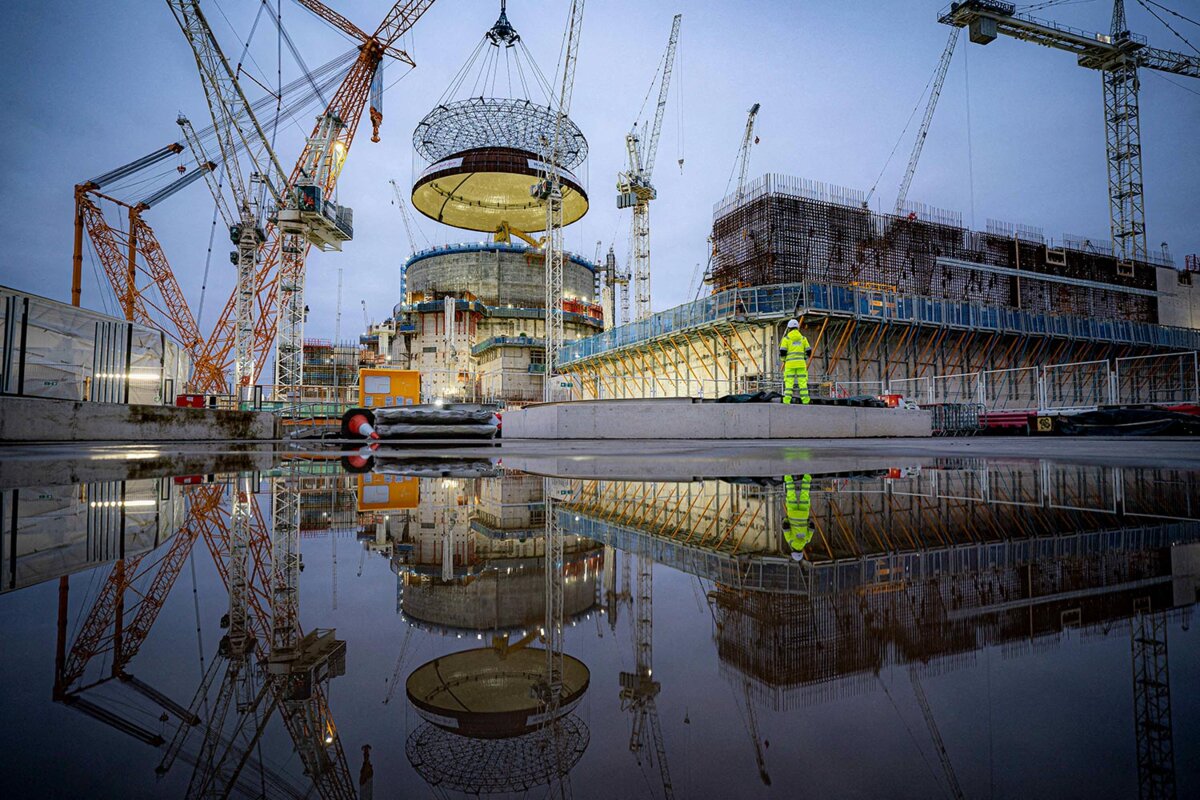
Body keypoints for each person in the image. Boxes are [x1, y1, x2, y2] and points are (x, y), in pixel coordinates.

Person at [779, 319, 810, 404]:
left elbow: (782, 352)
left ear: (789, 328)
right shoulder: (803, 339)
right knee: (803, 383)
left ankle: (787, 400)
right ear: (797, 328)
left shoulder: (786, 339)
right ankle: (805, 400)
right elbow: (808, 351)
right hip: (801, 364)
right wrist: (804, 358)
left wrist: (784, 360)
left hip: (790, 364)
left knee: (789, 384)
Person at [783, 473, 813, 560]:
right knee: (791, 494)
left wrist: (806, 521)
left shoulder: (807, 540)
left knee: (805, 495)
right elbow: (785, 526)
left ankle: (807, 476)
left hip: (804, 515)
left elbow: (812, 526)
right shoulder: (790, 540)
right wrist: (786, 518)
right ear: (793, 551)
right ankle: (788, 476)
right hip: (792, 513)